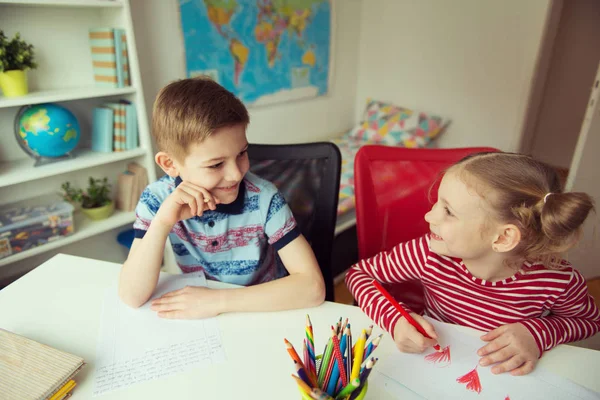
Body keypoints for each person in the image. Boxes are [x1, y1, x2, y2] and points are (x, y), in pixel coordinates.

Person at [345, 151, 600, 376]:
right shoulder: (428, 253)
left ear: (502, 237)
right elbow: (358, 275)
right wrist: (395, 318)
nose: (428, 215)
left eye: (448, 211)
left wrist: (538, 333)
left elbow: (589, 321)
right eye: (438, 203)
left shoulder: (557, 280)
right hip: (432, 366)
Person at [119, 77, 325, 318]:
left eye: (242, 153)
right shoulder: (156, 200)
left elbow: (313, 288)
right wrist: (163, 221)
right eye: (216, 164)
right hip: (203, 313)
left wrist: (217, 301)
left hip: (262, 308)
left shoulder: (264, 198)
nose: (236, 174)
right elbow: (132, 296)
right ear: (169, 164)